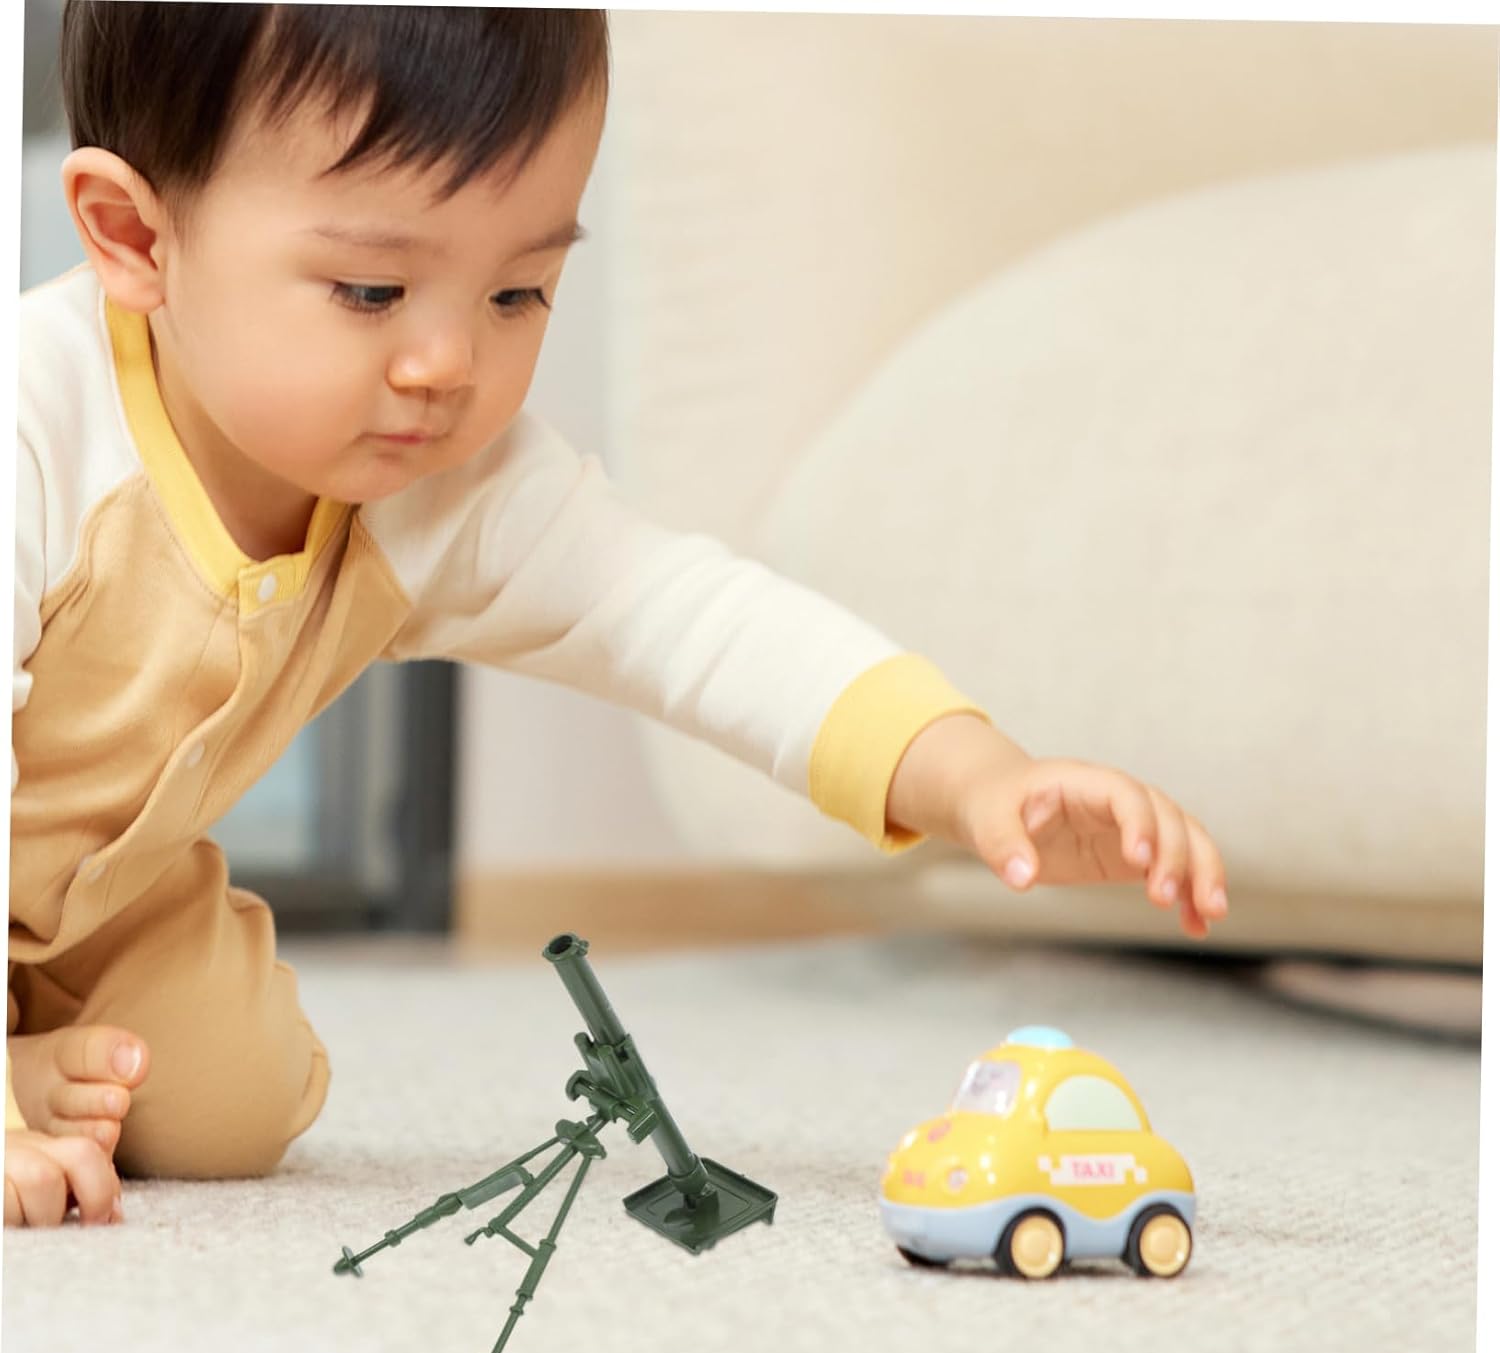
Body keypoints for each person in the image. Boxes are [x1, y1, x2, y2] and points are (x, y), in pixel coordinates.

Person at [6, 4, 1228, 1229]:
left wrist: (977, 774)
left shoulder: (438, 485)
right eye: (372, 290)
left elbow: (686, 619)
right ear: (134, 235)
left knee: (231, 1107)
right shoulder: (37, 425)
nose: (447, 365)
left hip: (106, 906)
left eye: (517, 292)